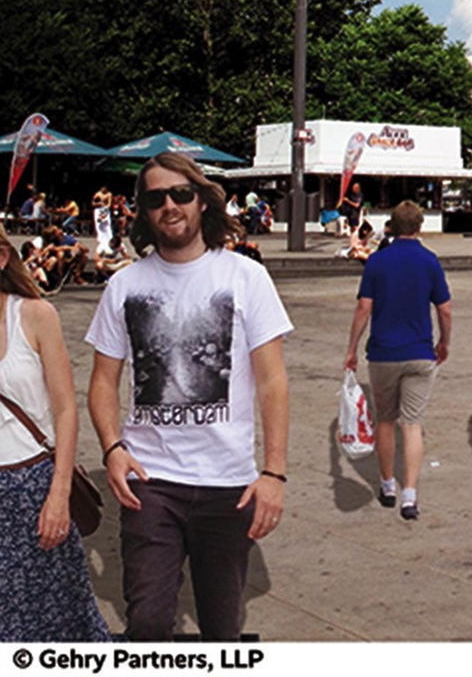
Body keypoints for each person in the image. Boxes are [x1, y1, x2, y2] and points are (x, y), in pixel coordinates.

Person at [86, 152, 292, 642]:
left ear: (202, 201)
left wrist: (274, 472)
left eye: (181, 193)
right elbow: (101, 381)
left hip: (229, 484)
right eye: (155, 198)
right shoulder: (124, 286)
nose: (170, 206)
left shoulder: (245, 276)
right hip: (151, 483)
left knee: (222, 629)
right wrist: (113, 449)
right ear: (142, 210)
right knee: (148, 623)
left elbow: (273, 381)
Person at [0, 223, 110, 642]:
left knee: (58, 620)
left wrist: (59, 495)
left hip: (35, 487)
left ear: (2, 258)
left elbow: (65, 410)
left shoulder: (34, 314)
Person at [344, 200, 451, 521]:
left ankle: (387, 484)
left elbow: (364, 307)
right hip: (420, 352)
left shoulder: (377, 261)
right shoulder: (429, 261)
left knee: (386, 420)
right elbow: (444, 308)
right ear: (419, 227)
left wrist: (351, 348)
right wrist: (444, 341)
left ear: (391, 226)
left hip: (383, 353)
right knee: (413, 424)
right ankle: (410, 494)